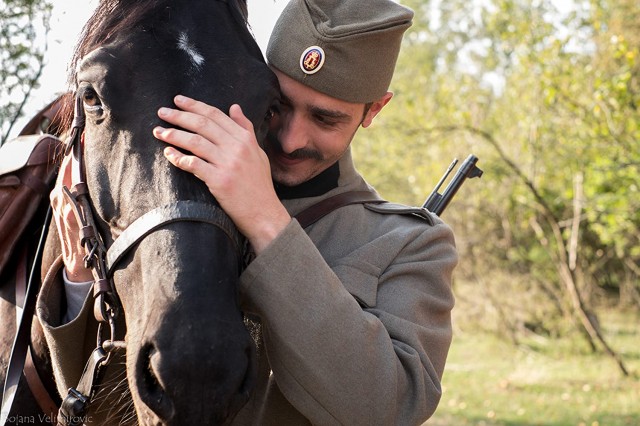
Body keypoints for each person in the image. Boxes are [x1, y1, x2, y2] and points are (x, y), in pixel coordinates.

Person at [44, 0, 458, 424]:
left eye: (325, 118)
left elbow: (389, 407)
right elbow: (92, 408)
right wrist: (77, 284)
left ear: (374, 110)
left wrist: (265, 219)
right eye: (277, 106)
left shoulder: (412, 243)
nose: (291, 139)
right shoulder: (175, 196)